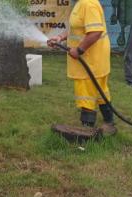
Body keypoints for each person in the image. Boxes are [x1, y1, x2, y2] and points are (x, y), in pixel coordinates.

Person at [47, 0, 117, 135]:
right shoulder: (81, 3)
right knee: (100, 90)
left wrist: (79, 50)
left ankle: (87, 129)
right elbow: (77, 28)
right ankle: (109, 121)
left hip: (90, 59)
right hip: (95, 59)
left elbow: (95, 32)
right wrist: (60, 37)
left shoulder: (87, 4)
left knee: (86, 94)